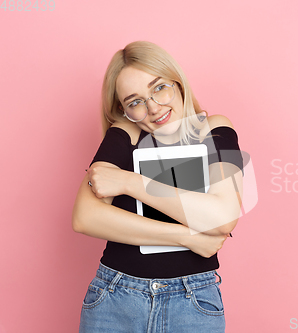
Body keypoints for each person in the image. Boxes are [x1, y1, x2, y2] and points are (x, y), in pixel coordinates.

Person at [72, 41, 244, 332]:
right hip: (116, 296)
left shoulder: (216, 129)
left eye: (159, 87)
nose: (153, 107)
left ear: (178, 83)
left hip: (193, 302)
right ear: (124, 110)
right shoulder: (125, 132)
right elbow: (85, 217)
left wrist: (130, 181)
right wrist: (189, 237)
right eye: (135, 101)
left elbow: (223, 217)